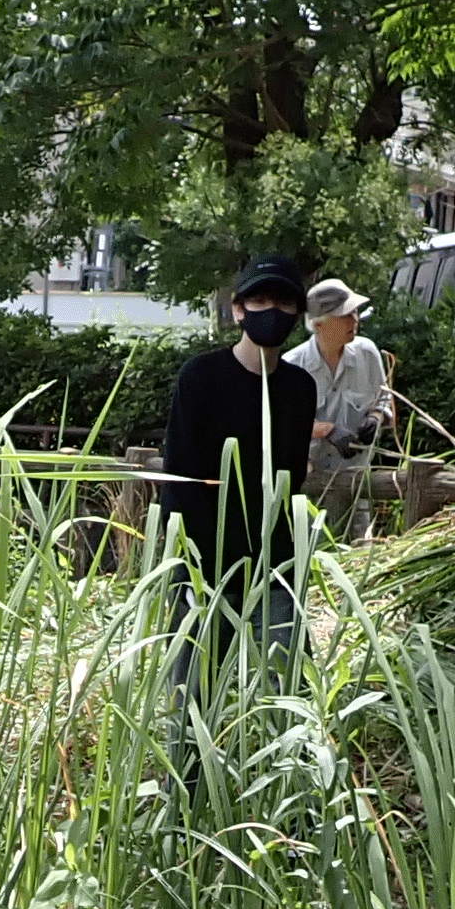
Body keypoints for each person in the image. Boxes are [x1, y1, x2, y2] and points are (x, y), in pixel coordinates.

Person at [155, 256, 322, 675]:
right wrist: (187, 570)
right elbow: (179, 479)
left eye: (284, 303)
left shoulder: (300, 388)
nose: (272, 312)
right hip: (206, 564)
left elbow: (291, 481)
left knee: (285, 687)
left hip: (275, 565)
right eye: (260, 301)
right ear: (238, 309)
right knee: (194, 691)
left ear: (298, 314)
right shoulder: (200, 377)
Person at [295, 277, 390, 527]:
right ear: (318, 324)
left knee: (361, 546)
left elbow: (384, 399)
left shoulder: (367, 354)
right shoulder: (292, 367)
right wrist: (326, 430)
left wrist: (376, 418)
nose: (354, 320)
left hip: (356, 484)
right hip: (308, 490)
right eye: (345, 315)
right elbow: (278, 426)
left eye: (355, 312)